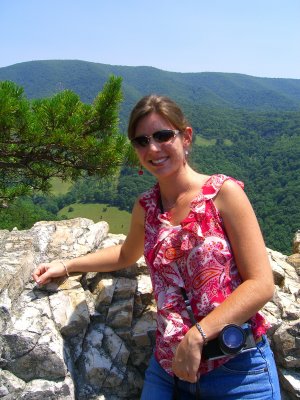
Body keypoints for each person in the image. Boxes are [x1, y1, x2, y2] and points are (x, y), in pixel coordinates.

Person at [32, 95, 281, 399]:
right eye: (141, 141)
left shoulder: (223, 194)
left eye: (163, 136)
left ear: (185, 137)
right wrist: (68, 265)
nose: (152, 148)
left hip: (236, 368)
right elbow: (126, 254)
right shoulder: (146, 207)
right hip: (168, 367)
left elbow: (261, 283)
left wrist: (197, 336)